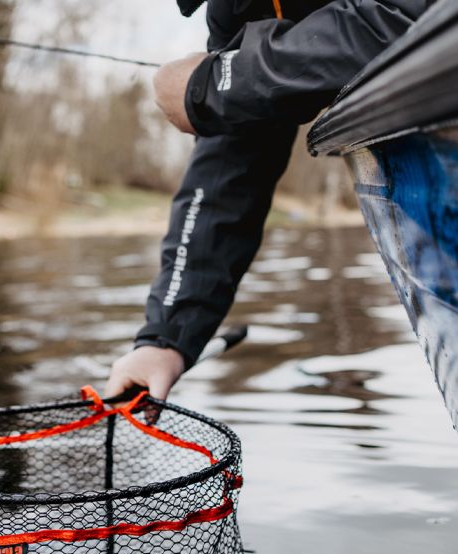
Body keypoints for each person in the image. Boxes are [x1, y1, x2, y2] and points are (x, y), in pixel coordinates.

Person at [105, 0, 433, 401]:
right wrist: (167, 336)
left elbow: (416, 18)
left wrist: (223, 81)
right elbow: (230, 160)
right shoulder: (236, 8)